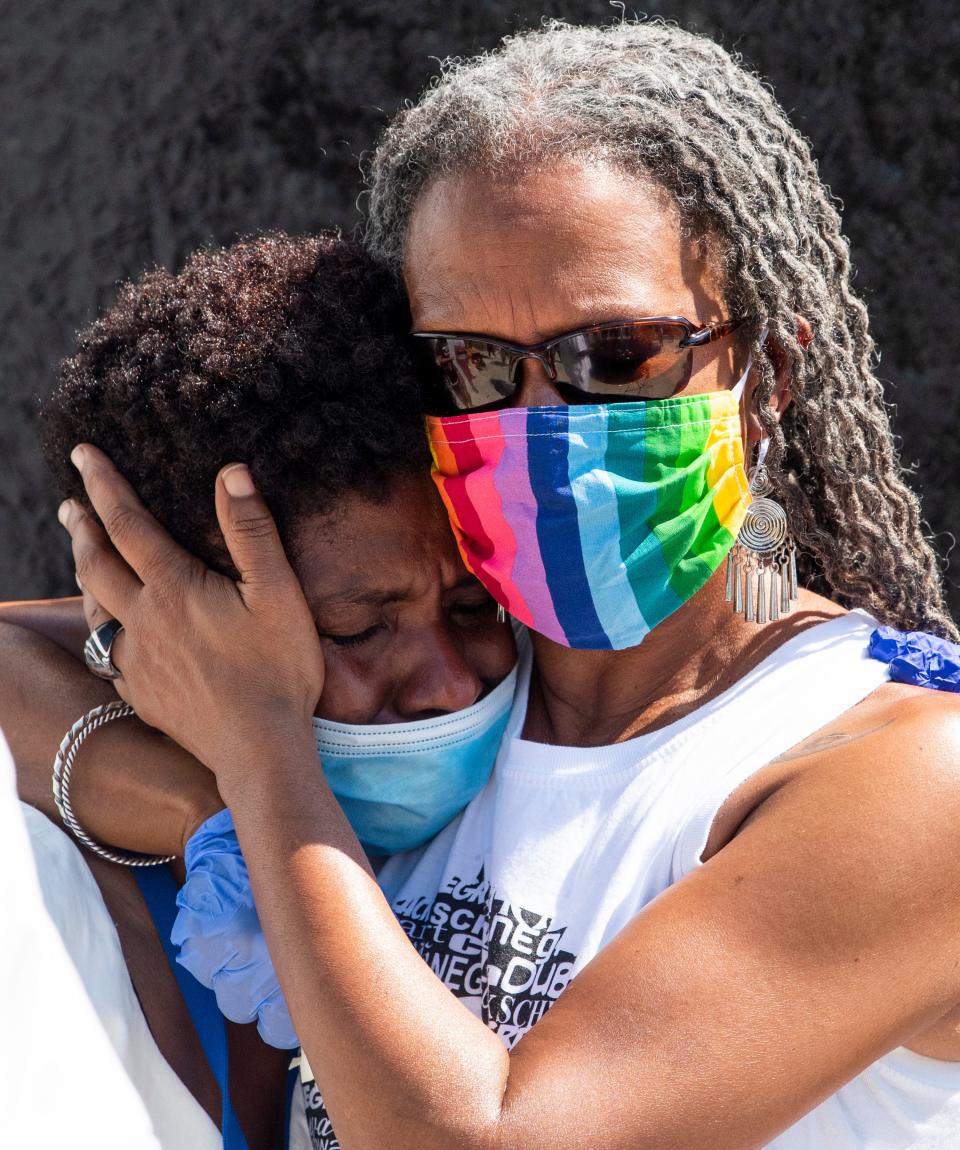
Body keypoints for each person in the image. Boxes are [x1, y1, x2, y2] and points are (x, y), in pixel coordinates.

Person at [47, 18, 960, 1150]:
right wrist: (202, 806)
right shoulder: (450, 686)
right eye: (469, 363)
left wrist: (258, 754)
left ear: (763, 378)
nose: (540, 424)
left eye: (615, 355)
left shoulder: (905, 770)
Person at [2, 232, 515, 1148]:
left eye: (478, 606)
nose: (449, 686)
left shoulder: (579, 735)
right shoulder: (70, 904)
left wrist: (248, 766)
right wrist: (206, 805)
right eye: (357, 630)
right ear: (176, 633)